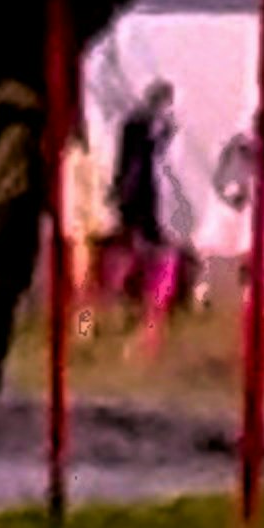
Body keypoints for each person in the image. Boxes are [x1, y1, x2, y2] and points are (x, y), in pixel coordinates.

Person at [109, 76, 187, 352]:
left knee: (153, 257)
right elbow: (128, 163)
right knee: (142, 256)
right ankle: (134, 325)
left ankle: (143, 329)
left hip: (155, 200)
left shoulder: (165, 127)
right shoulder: (139, 125)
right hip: (143, 199)